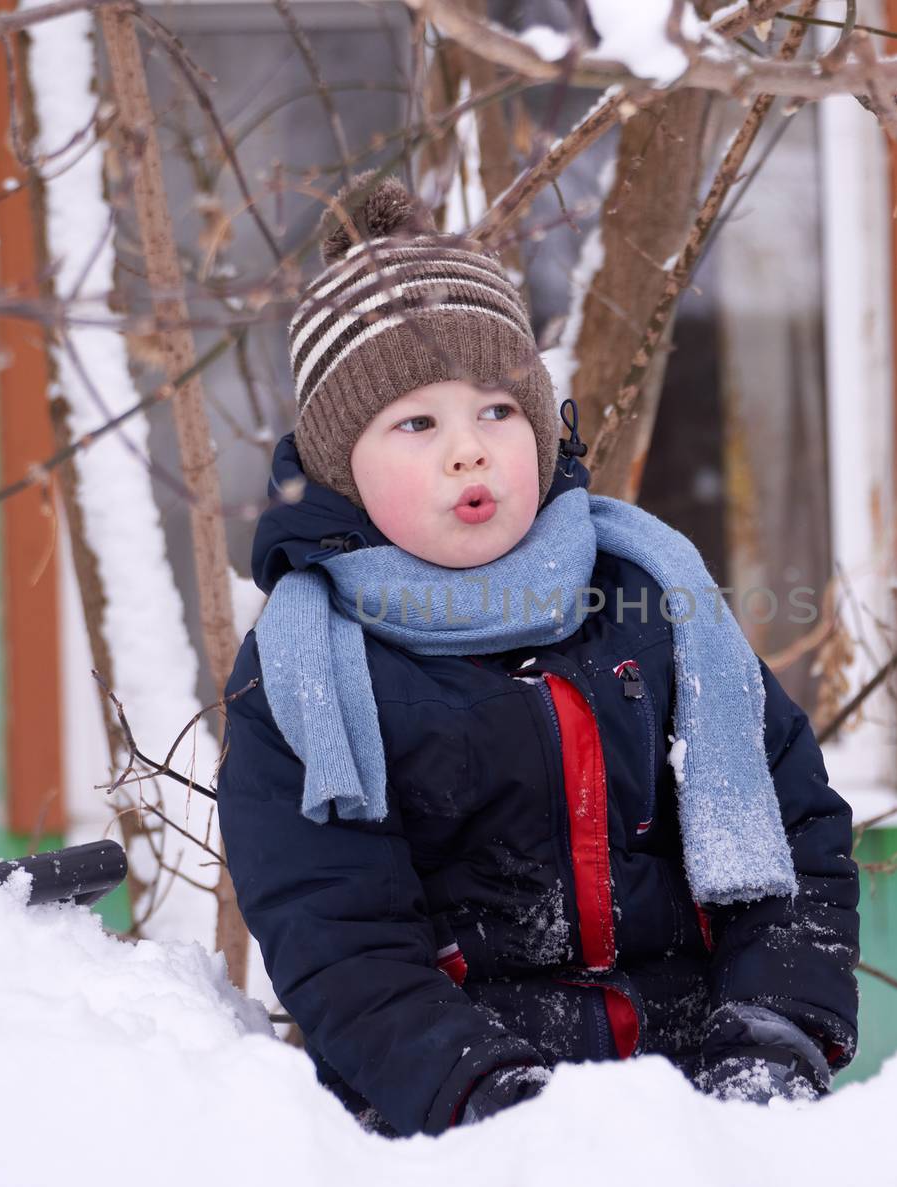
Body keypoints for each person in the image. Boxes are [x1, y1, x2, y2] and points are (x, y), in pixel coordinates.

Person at [215, 173, 860, 1137]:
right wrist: (486, 1104)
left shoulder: (649, 599)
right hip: (462, 1127)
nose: (468, 451)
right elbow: (340, 941)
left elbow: (794, 839)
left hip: (705, 1104)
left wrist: (769, 1040)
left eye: (497, 411)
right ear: (340, 466)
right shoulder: (309, 672)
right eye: (417, 424)